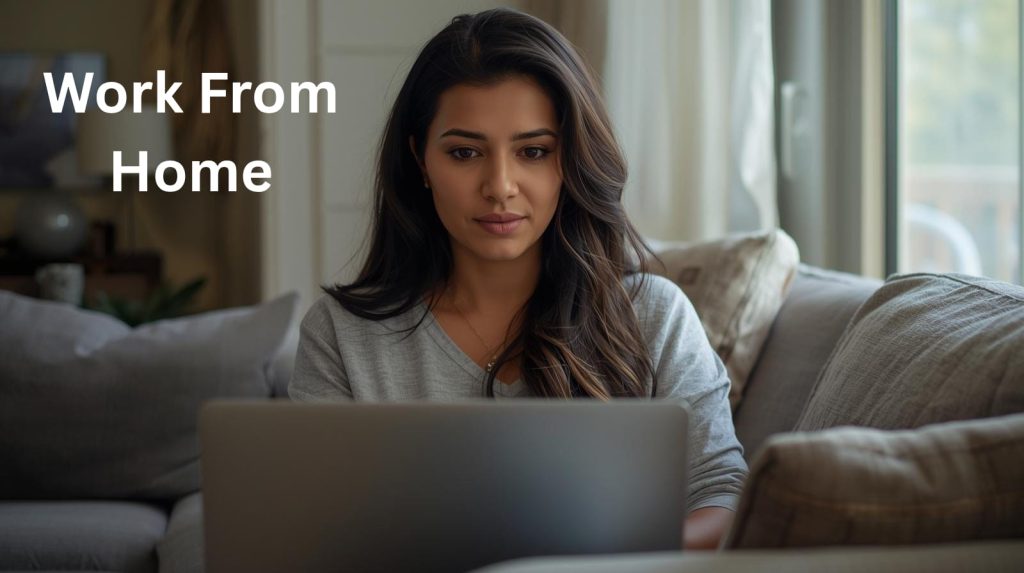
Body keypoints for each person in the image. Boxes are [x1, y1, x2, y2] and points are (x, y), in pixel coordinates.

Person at [288, 7, 747, 550]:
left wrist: (586, 560)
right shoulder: (341, 334)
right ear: (420, 161)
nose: (500, 186)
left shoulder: (654, 315)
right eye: (465, 153)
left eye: (533, 152)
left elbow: (722, 497)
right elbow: (314, 528)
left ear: (570, 159)